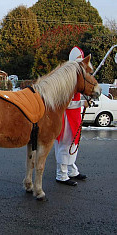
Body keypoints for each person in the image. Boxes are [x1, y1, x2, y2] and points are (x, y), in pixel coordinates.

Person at [54, 47, 89, 186]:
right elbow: (65, 103)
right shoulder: (67, 78)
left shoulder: (76, 76)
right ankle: (61, 174)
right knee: (65, 144)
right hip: (66, 117)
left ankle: (71, 170)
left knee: (73, 143)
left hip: (74, 116)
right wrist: (82, 102)